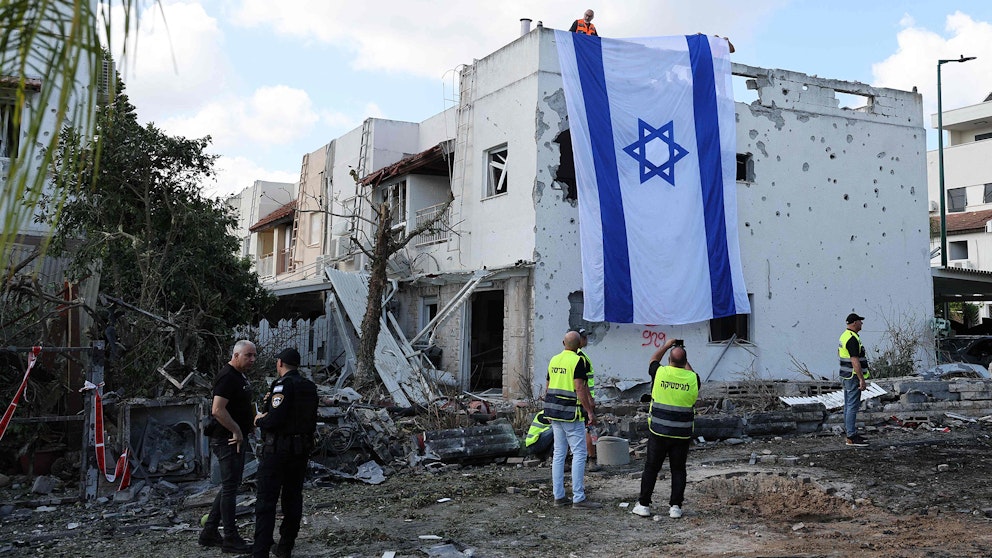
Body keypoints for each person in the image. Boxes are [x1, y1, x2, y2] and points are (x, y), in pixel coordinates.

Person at [250, 348, 319, 558]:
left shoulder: (282, 385)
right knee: (292, 499)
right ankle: (285, 546)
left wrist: (259, 420)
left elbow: (274, 419)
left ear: (280, 363)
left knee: (266, 501)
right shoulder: (309, 386)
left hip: (278, 450)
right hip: (300, 451)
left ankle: (260, 550)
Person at [199, 340, 257, 553]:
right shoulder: (227, 376)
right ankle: (230, 538)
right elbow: (217, 410)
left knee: (230, 485)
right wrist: (236, 430)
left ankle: (209, 532)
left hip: (237, 438)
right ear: (235, 354)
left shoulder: (239, 376)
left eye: (254, 356)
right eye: (248, 355)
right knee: (231, 488)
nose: (252, 360)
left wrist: (249, 425)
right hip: (227, 440)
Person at [632, 338, 699, 520]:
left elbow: (653, 359)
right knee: (678, 469)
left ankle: (644, 505)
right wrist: (682, 354)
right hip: (682, 433)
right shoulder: (693, 378)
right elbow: (690, 372)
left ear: (669, 360)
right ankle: (675, 507)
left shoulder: (660, 373)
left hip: (659, 431)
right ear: (685, 362)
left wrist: (668, 345)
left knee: (652, 468)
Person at [544, 330, 601, 509]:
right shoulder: (578, 361)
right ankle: (578, 497)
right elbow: (579, 387)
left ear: (563, 343)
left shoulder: (554, 360)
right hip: (571, 412)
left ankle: (559, 496)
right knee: (579, 453)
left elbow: (548, 386)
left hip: (554, 411)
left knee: (559, 453)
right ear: (579, 346)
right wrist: (589, 412)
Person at [839, 313, 870, 447]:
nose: (861, 324)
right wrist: (861, 379)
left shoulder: (844, 336)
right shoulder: (852, 339)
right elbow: (855, 361)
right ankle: (851, 436)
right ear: (854, 323)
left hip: (846, 375)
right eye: (860, 321)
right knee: (852, 406)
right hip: (852, 377)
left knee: (848, 406)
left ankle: (850, 434)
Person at [575, 328, 599, 471]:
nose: (586, 340)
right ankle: (591, 460)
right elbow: (583, 384)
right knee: (588, 429)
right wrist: (590, 401)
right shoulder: (581, 359)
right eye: (584, 338)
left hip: (570, 400)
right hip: (582, 400)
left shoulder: (564, 358)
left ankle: (566, 461)